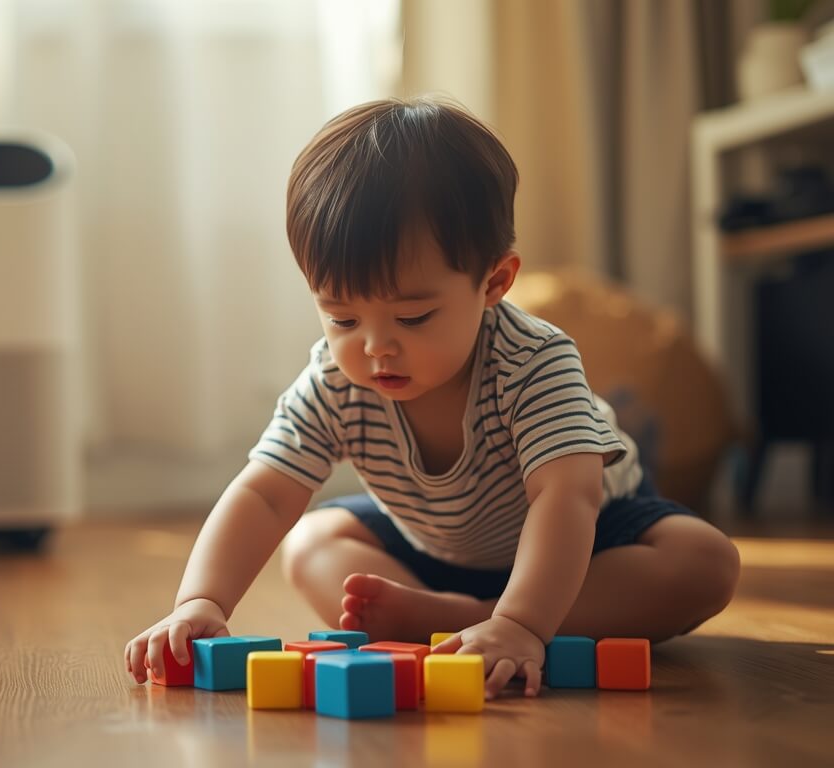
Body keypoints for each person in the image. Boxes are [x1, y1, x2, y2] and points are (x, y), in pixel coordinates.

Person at [123, 96, 740, 699]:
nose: (375, 349)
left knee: (705, 561)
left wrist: (521, 623)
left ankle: (478, 616)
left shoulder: (534, 361)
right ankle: (450, 616)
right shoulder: (336, 382)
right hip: (428, 548)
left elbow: (566, 497)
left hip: (587, 548)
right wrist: (200, 602)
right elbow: (263, 493)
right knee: (312, 541)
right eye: (341, 319)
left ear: (494, 282)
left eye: (413, 318)